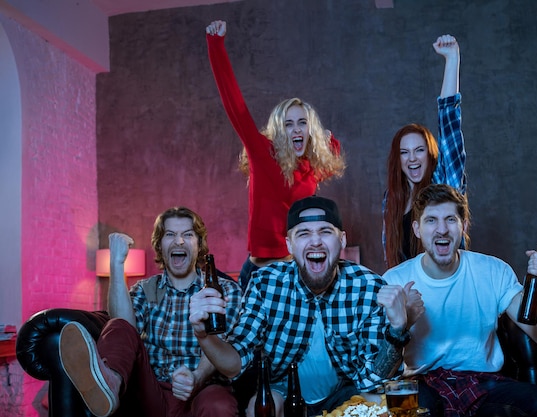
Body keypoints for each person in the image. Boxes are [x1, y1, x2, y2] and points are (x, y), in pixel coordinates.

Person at [189, 196, 411, 417]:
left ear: (341, 240)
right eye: (303, 233)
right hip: (284, 390)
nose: (315, 241)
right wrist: (203, 335)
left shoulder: (368, 286)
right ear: (289, 244)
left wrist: (397, 329)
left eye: (325, 231)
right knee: (259, 407)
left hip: (346, 390)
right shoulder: (265, 284)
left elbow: (375, 379)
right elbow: (233, 364)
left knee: (382, 404)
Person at [380, 184, 537, 417]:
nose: (441, 230)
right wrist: (401, 323)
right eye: (431, 221)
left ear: (463, 226)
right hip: (422, 382)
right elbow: (379, 370)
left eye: (450, 219)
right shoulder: (395, 280)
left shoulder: (493, 270)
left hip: (484, 382)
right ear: (417, 229)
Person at [58, 207, 242, 417]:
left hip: (203, 389)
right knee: (118, 324)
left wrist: (197, 377)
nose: (179, 241)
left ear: (199, 245)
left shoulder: (224, 290)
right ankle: (110, 385)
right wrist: (116, 265)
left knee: (218, 404)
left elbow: (223, 342)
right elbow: (123, 328)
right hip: (153, 390)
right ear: (160, 245)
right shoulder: (145, 290)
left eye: (188, 234)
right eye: (170, 235)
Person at [205, 20, 346, 290]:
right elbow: (234, 103)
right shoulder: (262, 154)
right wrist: (216, 45)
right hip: (258, 273)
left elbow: (332, 154)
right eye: (288, 123)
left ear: (309, 128)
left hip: (295, 271)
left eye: (302, 123)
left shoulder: (311, 167)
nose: (296, 129)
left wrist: (327, 139)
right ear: (279, 130)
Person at [383, 34, 467, 268]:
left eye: (419, 150)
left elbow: (450, 126)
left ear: (430, 154)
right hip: (410, 296)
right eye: (404, 152)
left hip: (445, 287)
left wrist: (452, 59)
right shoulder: (391, 199)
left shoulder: (443, 186)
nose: (412, 158)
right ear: (397, 160)